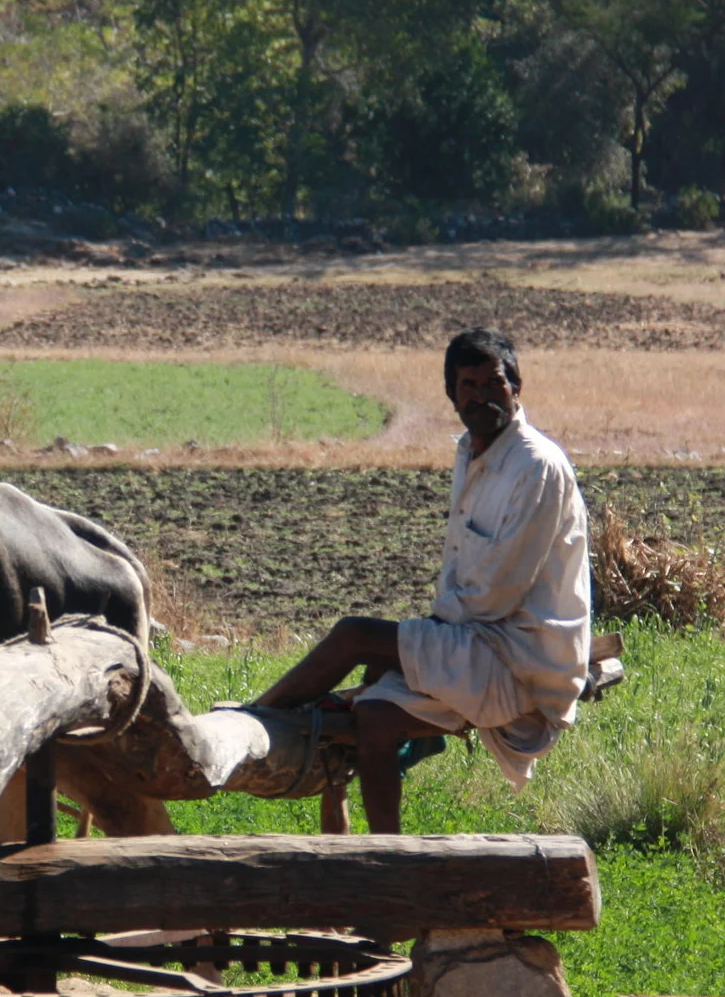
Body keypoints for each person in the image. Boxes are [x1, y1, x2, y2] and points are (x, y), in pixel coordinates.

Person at [252, 326, 590, 830]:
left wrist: (417, 640)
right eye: (467, 386)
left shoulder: (535, 467)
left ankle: (255, 723)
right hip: (477, 641)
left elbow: (497, 592)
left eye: (493, 383)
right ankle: (389, 860)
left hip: (519, 659)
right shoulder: (471, 452)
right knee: (374, 716)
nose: (480, 396)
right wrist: (417, 642)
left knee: (356, 637)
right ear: (451, 395)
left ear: (516, 386)